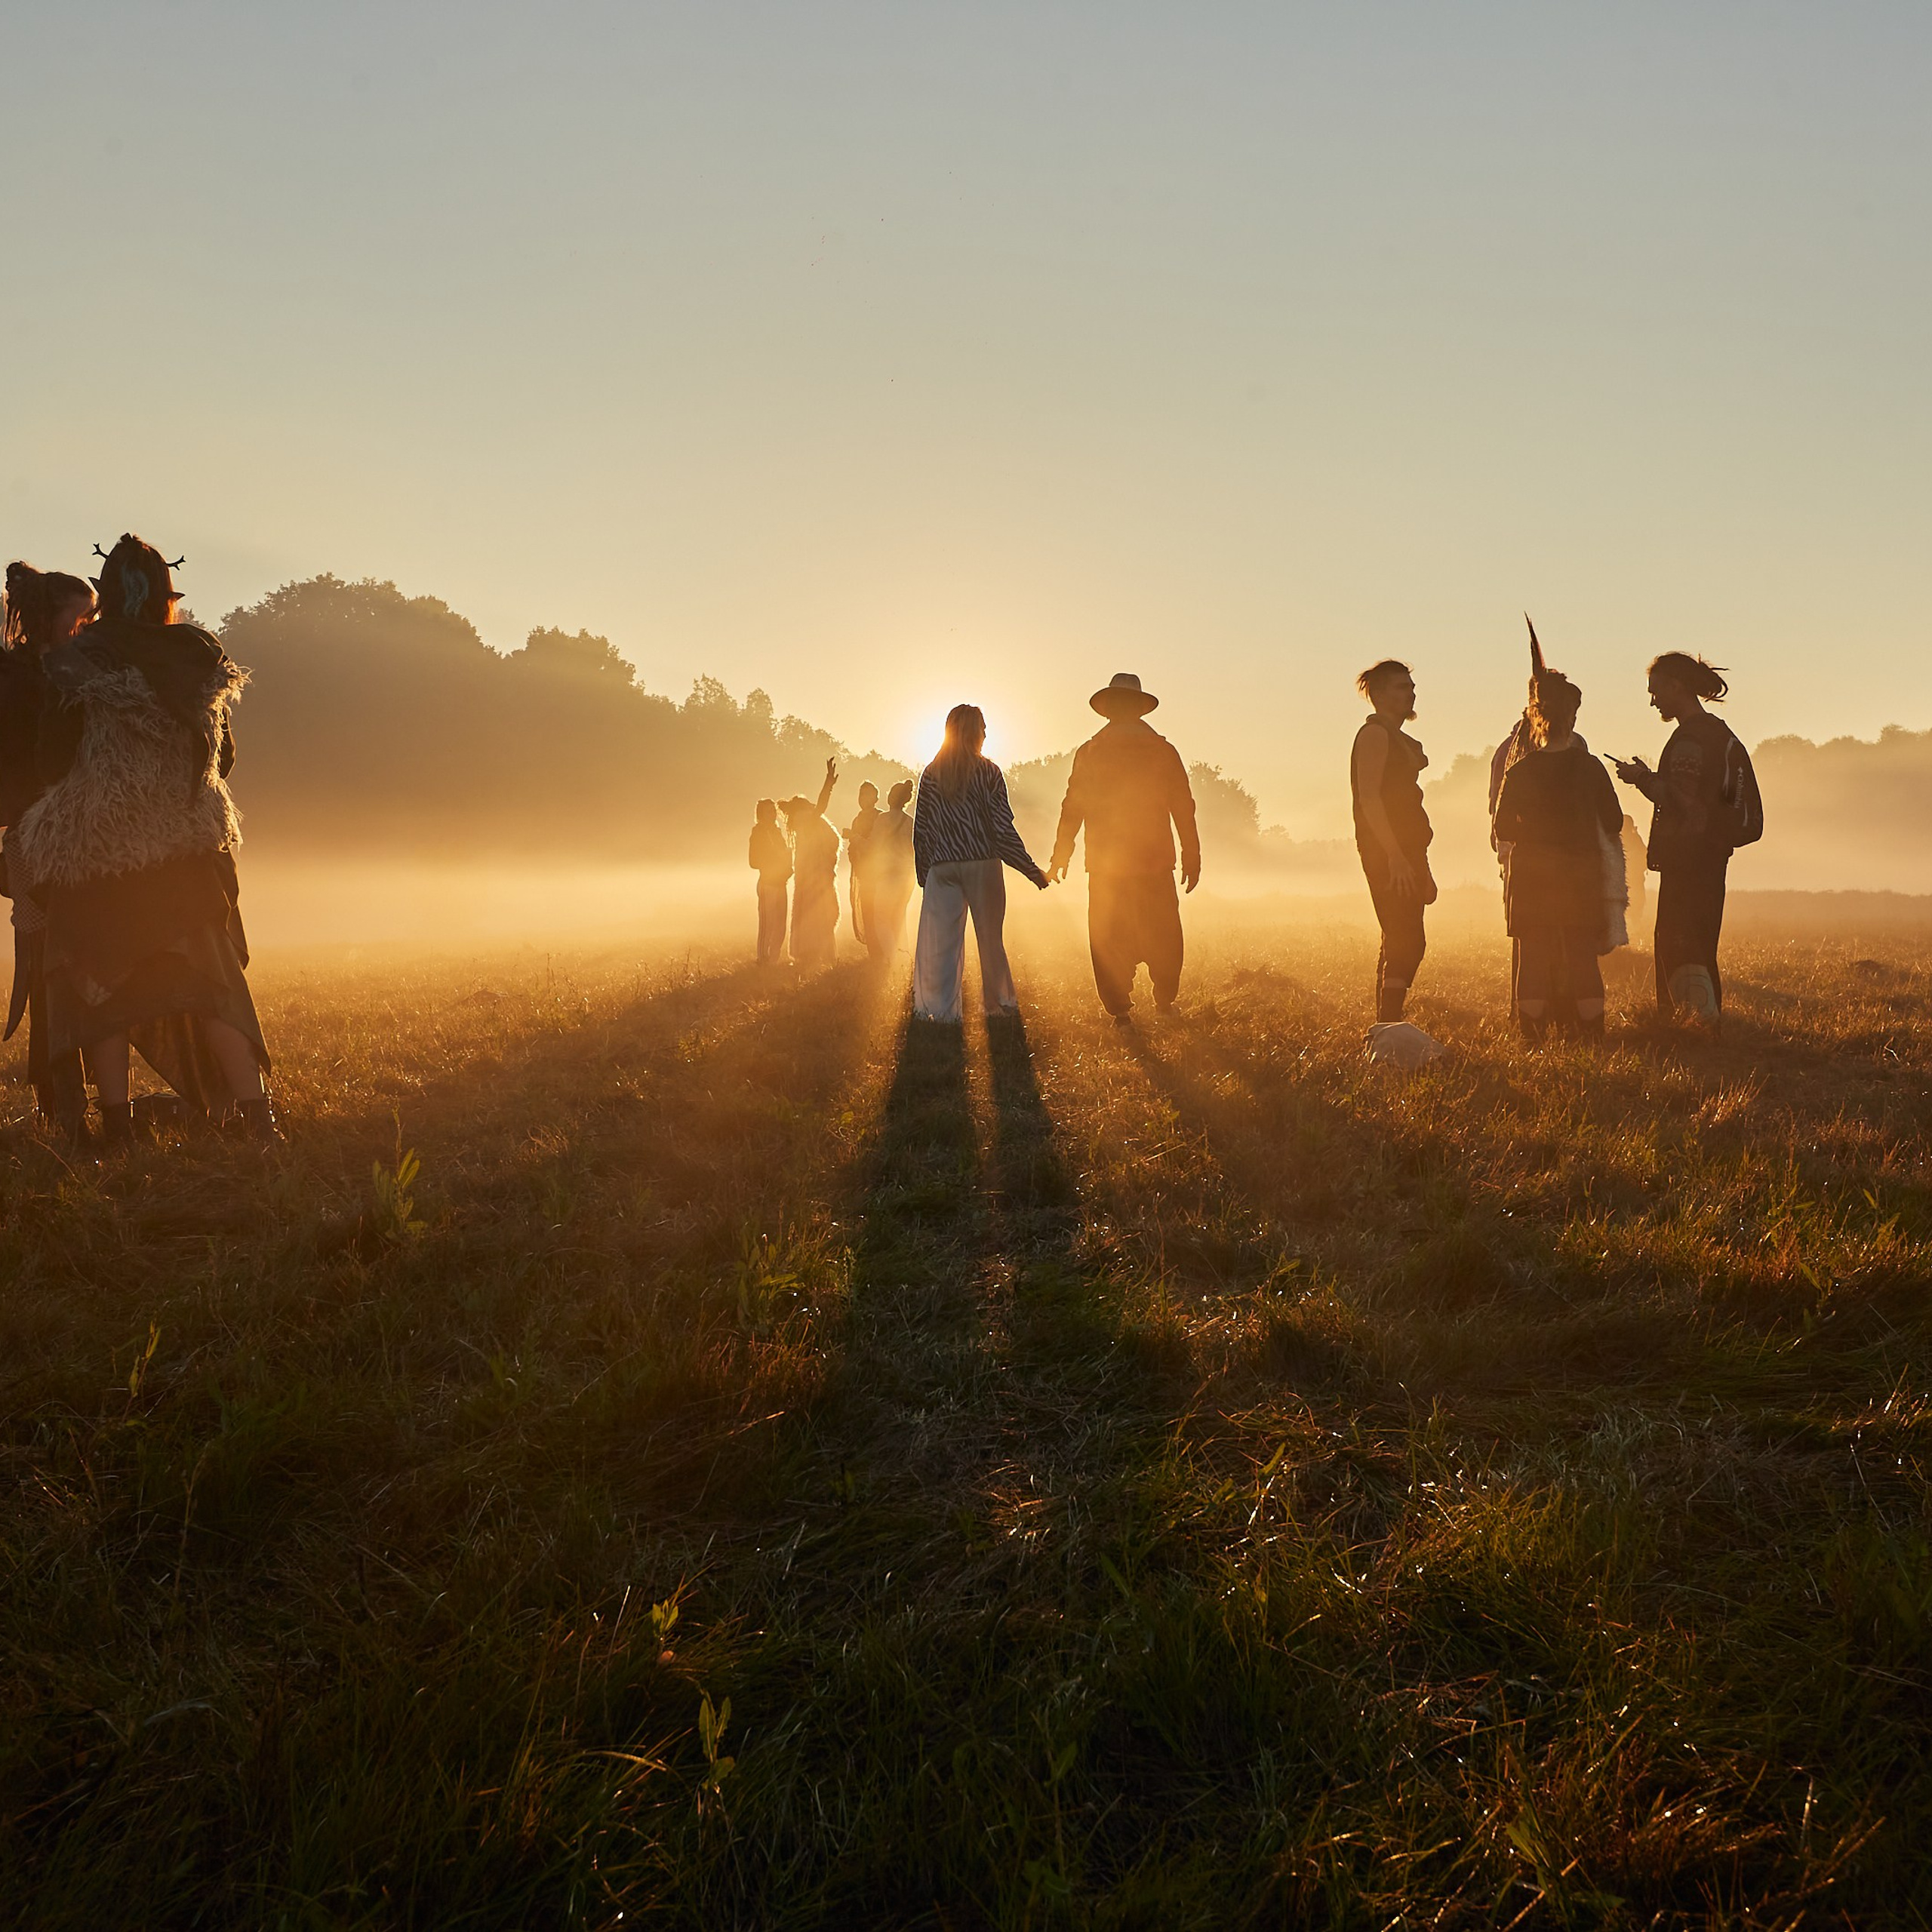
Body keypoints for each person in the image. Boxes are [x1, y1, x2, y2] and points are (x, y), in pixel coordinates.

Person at [9, 535, 276, 1143]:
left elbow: (53, 759)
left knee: (100, 988)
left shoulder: (78, 658)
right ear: (165, 592)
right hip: (186, 854)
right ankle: (258, 1120)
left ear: (104, 590)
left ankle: (119, 1128)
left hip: (96, 857)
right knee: (212, 986)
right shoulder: (199, 653)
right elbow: (222, 758)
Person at [1613, 653, 1761, 1029]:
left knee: (1678, 942)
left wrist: (1640, 778)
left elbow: (1681, 798)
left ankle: (1685, 1025)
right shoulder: (1718, 732)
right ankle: (1705, 1021)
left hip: (1688, 859)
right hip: (1712, 856)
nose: (1653, 702)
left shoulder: (1690, 739)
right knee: (1701, 943)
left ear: (1676, 686)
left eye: (1656, 691)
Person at [1, 562, 96, 1137]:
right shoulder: (28, 679)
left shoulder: (61, 670)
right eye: (81, 616)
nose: (88, 626)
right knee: (49, 966)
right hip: (38, 838)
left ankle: (65, 1099)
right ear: (50, 616)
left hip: (64, 835)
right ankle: (63, 1100)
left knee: (63, 964)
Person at [1048, 672, 1200, 1025]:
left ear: (1109, 709)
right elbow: (1183, 806)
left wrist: (1061, 854)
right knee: (1164, 935)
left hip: (1107, 865)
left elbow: (1073, 806)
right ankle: (1165, 1003)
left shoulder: (1090, 752)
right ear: (1139, 709)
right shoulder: (1163, 750)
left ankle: (1120, 1012)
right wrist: (1192, 854)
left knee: (1108, 938)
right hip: (1153, 861)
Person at [1491, 671, 1623, 1038]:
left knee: (1532, 954)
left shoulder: (1519, 771)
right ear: (1572, 718)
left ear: (1536, 717)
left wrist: (1535, 837)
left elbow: (1503, 828)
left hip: (1532, 875)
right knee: (1582, 954)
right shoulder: (1591, 767)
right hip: (1580, 874)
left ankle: (1532, 1037)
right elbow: (1613, 822)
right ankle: (1592, 1034)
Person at [911, 704, 1049, 1023]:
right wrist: (1031, 870)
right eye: (983, 727)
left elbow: (922, 830)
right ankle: (997, 1004)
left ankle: (938, 1012)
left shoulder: (931, 774)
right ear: (973, 732)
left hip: (942, 866)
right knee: (990, 939)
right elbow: (1002, 829)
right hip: (982, 863)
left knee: (941, 944)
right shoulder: (988, 772)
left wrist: (924, 873)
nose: (986, 733)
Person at [1350, 660, 1435, 1023]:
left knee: (1399, 936)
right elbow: (1369, 799)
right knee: (1408, 940)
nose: (1411, 694)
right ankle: (1389, 1021)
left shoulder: (1396, 736)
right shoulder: (1374, 735)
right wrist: (1395, 856)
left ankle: (1386, 1022)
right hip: (1388, 851)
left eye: (1411, 687)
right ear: (1380, 695)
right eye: (1402, 688)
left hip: (1408, 848)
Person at [783, 758, 840, 971]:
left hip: (810, 878)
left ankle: (810, 955)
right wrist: (828, 783)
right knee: (823, 915)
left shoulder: (804, 824)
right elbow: (822, 805)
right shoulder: (808, 820)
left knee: (812, 915)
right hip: (817, 878)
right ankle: (821, 956)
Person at [869, 779, 915, 961]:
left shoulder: (883, 819)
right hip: (907, 877)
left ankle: (892, 958)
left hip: (888, 876)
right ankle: (904, 957)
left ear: (891, 798)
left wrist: (855, 839)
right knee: (899, 916)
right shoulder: (910, 822)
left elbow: (874, 846)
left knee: (881, 918)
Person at [748, 798, 791, 966]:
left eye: (773, 811)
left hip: (781, 883)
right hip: (767, 884)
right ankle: (762, 959)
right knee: (767, 924)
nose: (772, 815)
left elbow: (785, 854)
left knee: (780, 924)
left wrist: (787, 865)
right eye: (768, 812)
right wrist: (774, 859)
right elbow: (753, 861)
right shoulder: (758, 834)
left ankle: (774, 960)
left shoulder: (777, 832)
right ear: (760, 815)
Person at [844, 780, 883, 949]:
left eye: (867, 795)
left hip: (878, 872)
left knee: (878, 911)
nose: (862, 799)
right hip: (862, 872)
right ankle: (873, 950)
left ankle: (883, 948)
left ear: (875, 798)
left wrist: (855, 838)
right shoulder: (857, 819)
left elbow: (879, 844)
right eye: (861, 795)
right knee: (867, 910)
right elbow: (852, 848)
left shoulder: (880, 817)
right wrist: (854, 856)